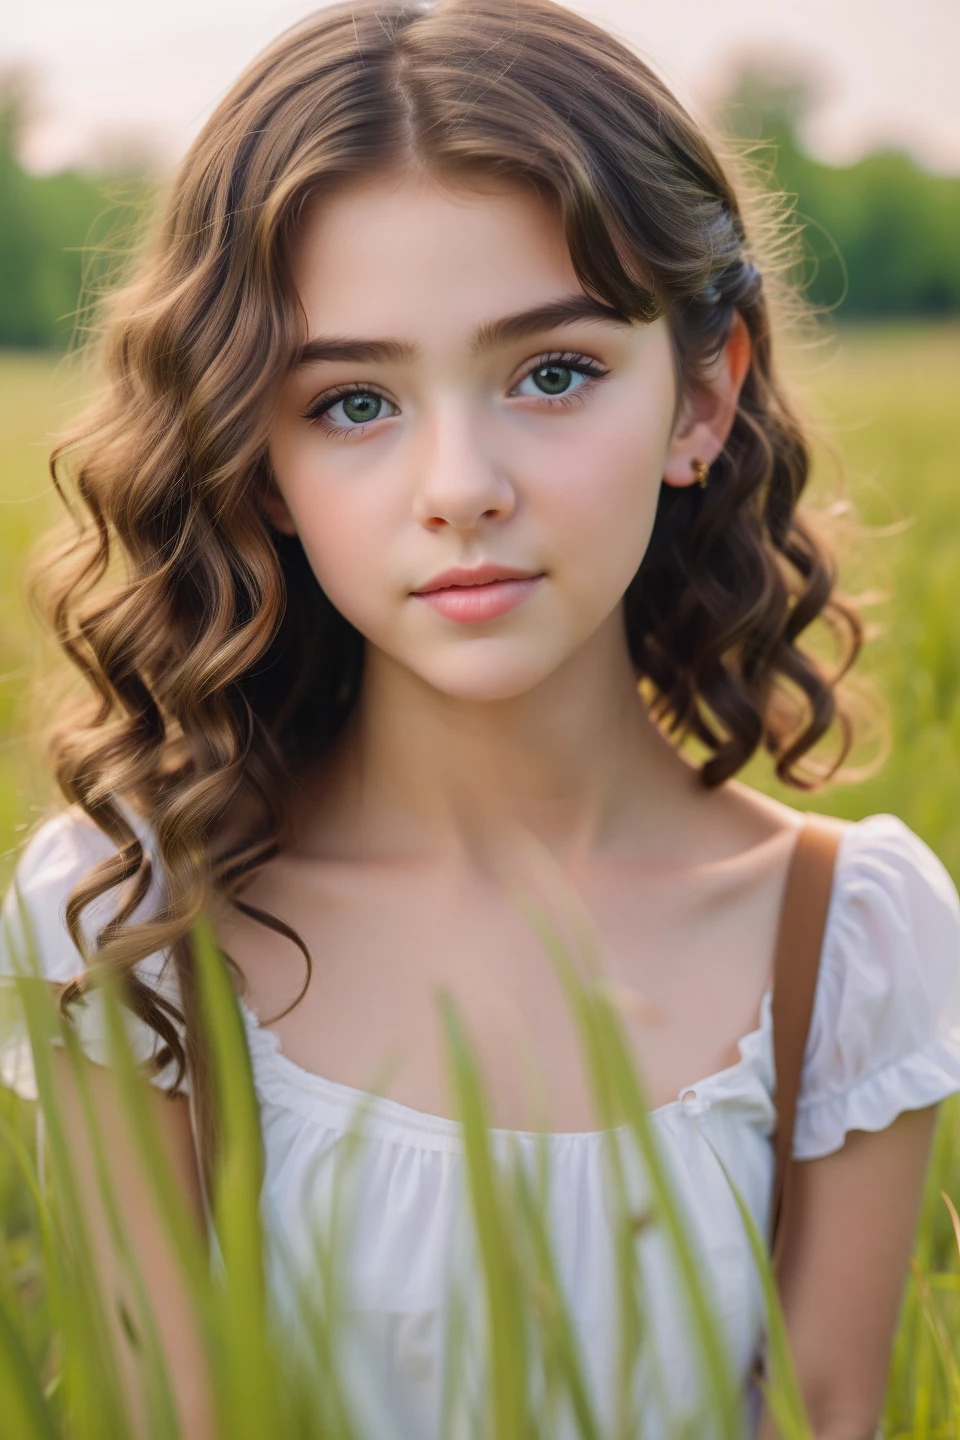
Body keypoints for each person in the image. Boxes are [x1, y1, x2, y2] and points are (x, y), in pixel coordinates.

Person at [2, 1, 960, 1436]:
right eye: (352, 403)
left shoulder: (847, 938)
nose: (461, 484)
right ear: (254, 459)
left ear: (703, 396)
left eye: (552, 373)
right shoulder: (129, 919)